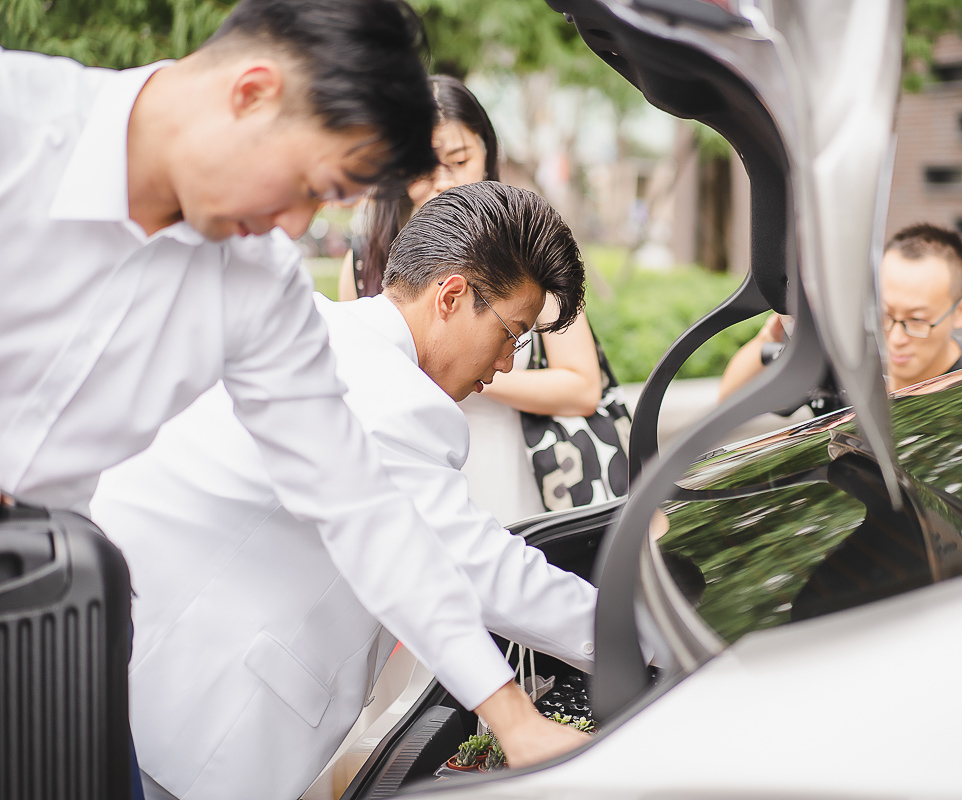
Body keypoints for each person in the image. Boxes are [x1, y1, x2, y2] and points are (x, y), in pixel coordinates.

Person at [0, 0, 584, 787]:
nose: (299, 222)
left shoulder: (259, 285)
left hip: (53, 646)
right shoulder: (16, 120)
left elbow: (364, 508)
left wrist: (513, 720)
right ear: (252, 92)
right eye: (315, 185)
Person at [90, 183, 598, 800]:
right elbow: (473, 568)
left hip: (126, 684)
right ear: (454, 295)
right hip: (184, 733)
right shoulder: (389, 392)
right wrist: (641, 637)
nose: (508, 364)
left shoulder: (318, 329)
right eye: (512, 333)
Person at [337, 75, 602, 523]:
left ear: (486, 153)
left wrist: (470, 367)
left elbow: (583, 386)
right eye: (423, 166)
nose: (441, 181)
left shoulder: (524, 255)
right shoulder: (364, 260)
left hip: (510, 462)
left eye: (459, 160)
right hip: (403, 468)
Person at [719, 223, 962, 406]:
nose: (896, 338)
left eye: (917, 321)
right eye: (884, 315)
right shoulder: (852, 366)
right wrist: (769, 337)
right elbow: (729, 398)